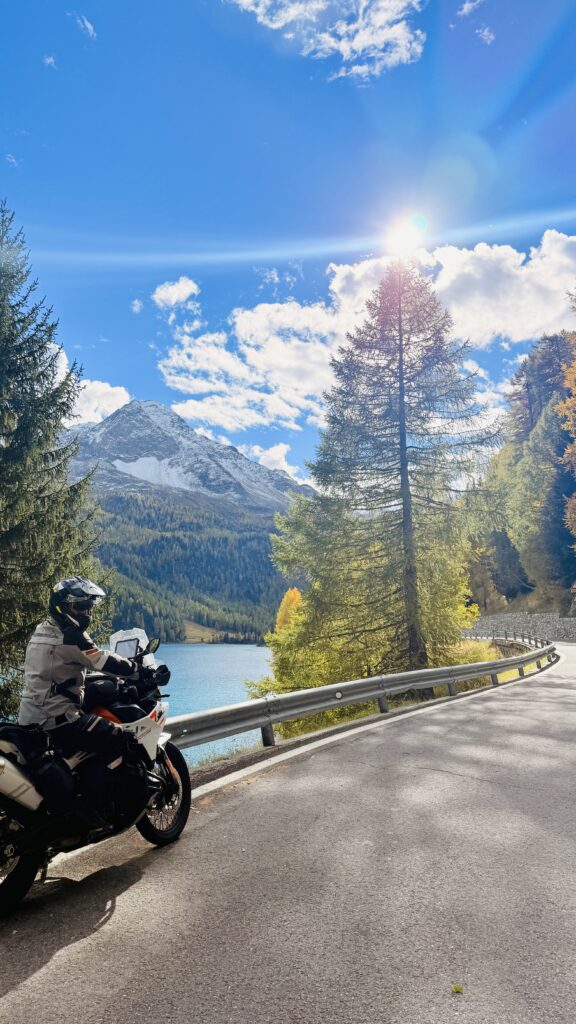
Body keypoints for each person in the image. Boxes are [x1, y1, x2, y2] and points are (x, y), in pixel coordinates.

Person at [19, 576, 141, 768]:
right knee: (122, 737)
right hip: (59, 723)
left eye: (88, 607)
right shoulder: (71, 637)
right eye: (80, 607)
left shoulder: (42, 630)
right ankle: (102, 796)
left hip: (30, 719)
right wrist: (137, 670)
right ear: (61, 607)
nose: (85, 613)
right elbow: (102, 659)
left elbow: (58, 670)